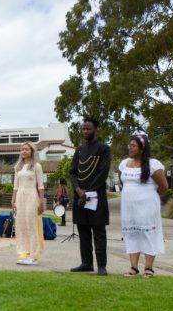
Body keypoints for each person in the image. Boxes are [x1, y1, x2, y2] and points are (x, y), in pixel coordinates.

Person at [118, 134, 168, 277]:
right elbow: (123, 182)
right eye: (130, 145)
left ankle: (148, 267)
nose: (130, 148)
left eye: (133, 146)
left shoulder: (153, 165)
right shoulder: (124, 164)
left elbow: (164, 186)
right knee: (131, 233)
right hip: (128, 207)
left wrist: (149, 196)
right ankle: (133, 267)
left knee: (148, 233)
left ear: (141, 149)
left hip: (148, 206)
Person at [69, 117, 111, 276]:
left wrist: (88, 192)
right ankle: (86, 263)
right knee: (83, 231)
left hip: (96, 197)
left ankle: (101, 265)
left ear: (95, 130)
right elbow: (72, 172)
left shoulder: (103, 149)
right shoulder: (79, 150)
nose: (85, 131)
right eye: (83, 129)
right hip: (80, 196)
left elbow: (103, 173)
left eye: (88, 129)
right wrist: (78, 190)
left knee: (99, 232)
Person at [11, 141, 45, 265]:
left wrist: (41, 202)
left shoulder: (36, 166)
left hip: (32, 196)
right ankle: (24, 253)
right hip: (20, 197)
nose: (24, 151)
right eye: (22, 149)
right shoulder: (18, 167)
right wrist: (13, 200)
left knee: (31, 224)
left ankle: (33, 255)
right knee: (21, 225)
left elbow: (41, 186)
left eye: (26, 149)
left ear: (32, 151)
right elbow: (15, 186)